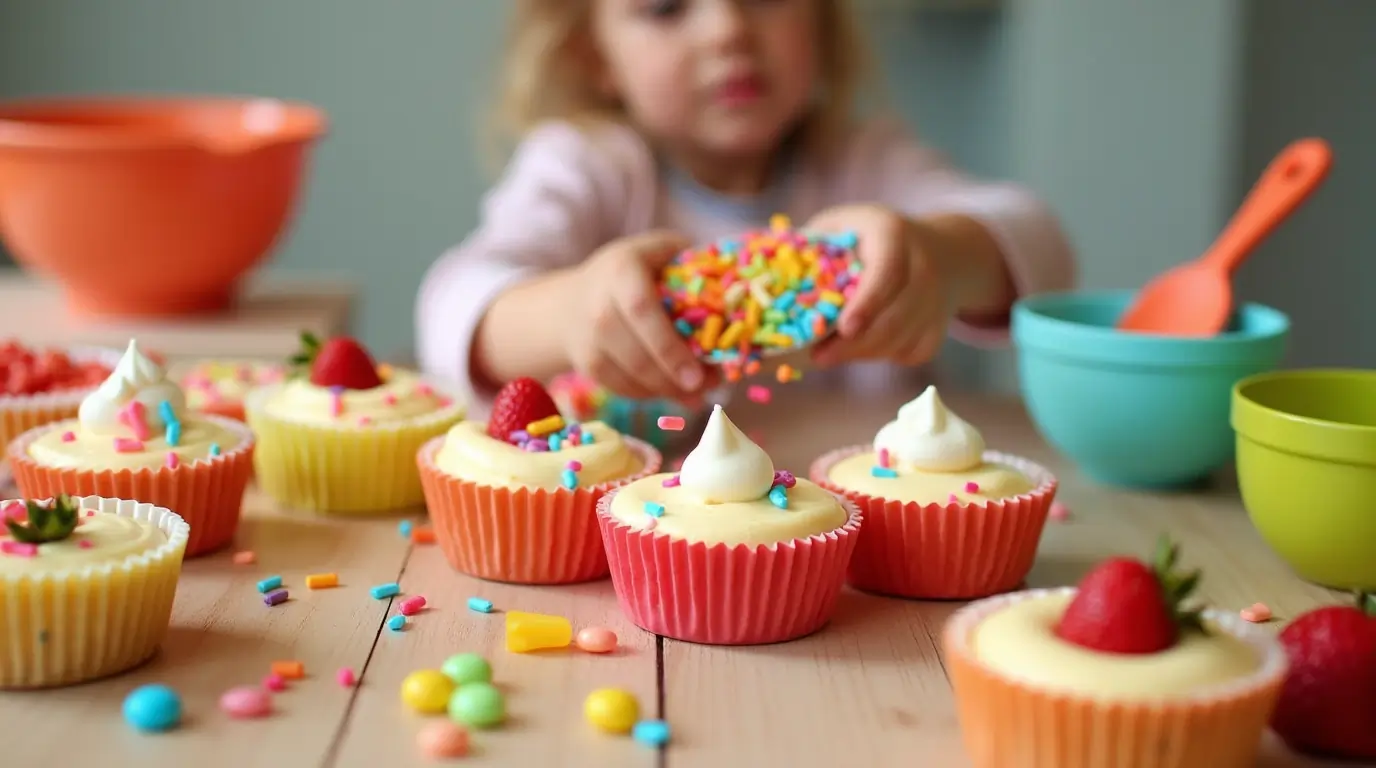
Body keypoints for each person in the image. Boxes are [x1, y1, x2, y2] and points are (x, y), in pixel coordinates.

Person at [417, 0, 1076, 414]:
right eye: (667, 9)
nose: (728, 27)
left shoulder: (862, 161)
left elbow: (1041, 246)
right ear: (596, 58)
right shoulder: (588, 166)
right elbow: (452, 302)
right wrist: (570, 311)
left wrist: (939, 257)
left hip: (863, 534)